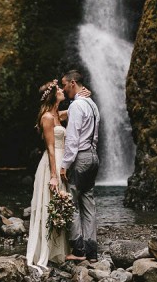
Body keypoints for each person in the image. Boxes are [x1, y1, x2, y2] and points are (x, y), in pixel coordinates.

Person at [25, 78, 91, 272]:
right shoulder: (46, 117)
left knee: (61, 205)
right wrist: (54, 175)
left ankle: (59, 250)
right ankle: (45, 250)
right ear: (53, 95)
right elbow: (51, 148)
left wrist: (85, 96)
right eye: (59, 89)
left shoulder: (57, 114)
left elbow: (75, 110)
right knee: (50, 203)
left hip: (63, 164)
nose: (63, 90)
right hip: (51, 165)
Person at [60, 70, 100, 262]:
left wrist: (64, 165)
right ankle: (92, 253)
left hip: (81, 158)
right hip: (94, 157)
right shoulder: (93, 105)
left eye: (64, 85)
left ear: (73, 83)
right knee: (88, 204)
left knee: (71, 201)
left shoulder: (77, 105)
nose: (63, 88)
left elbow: (73, 138)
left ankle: (78, 250)